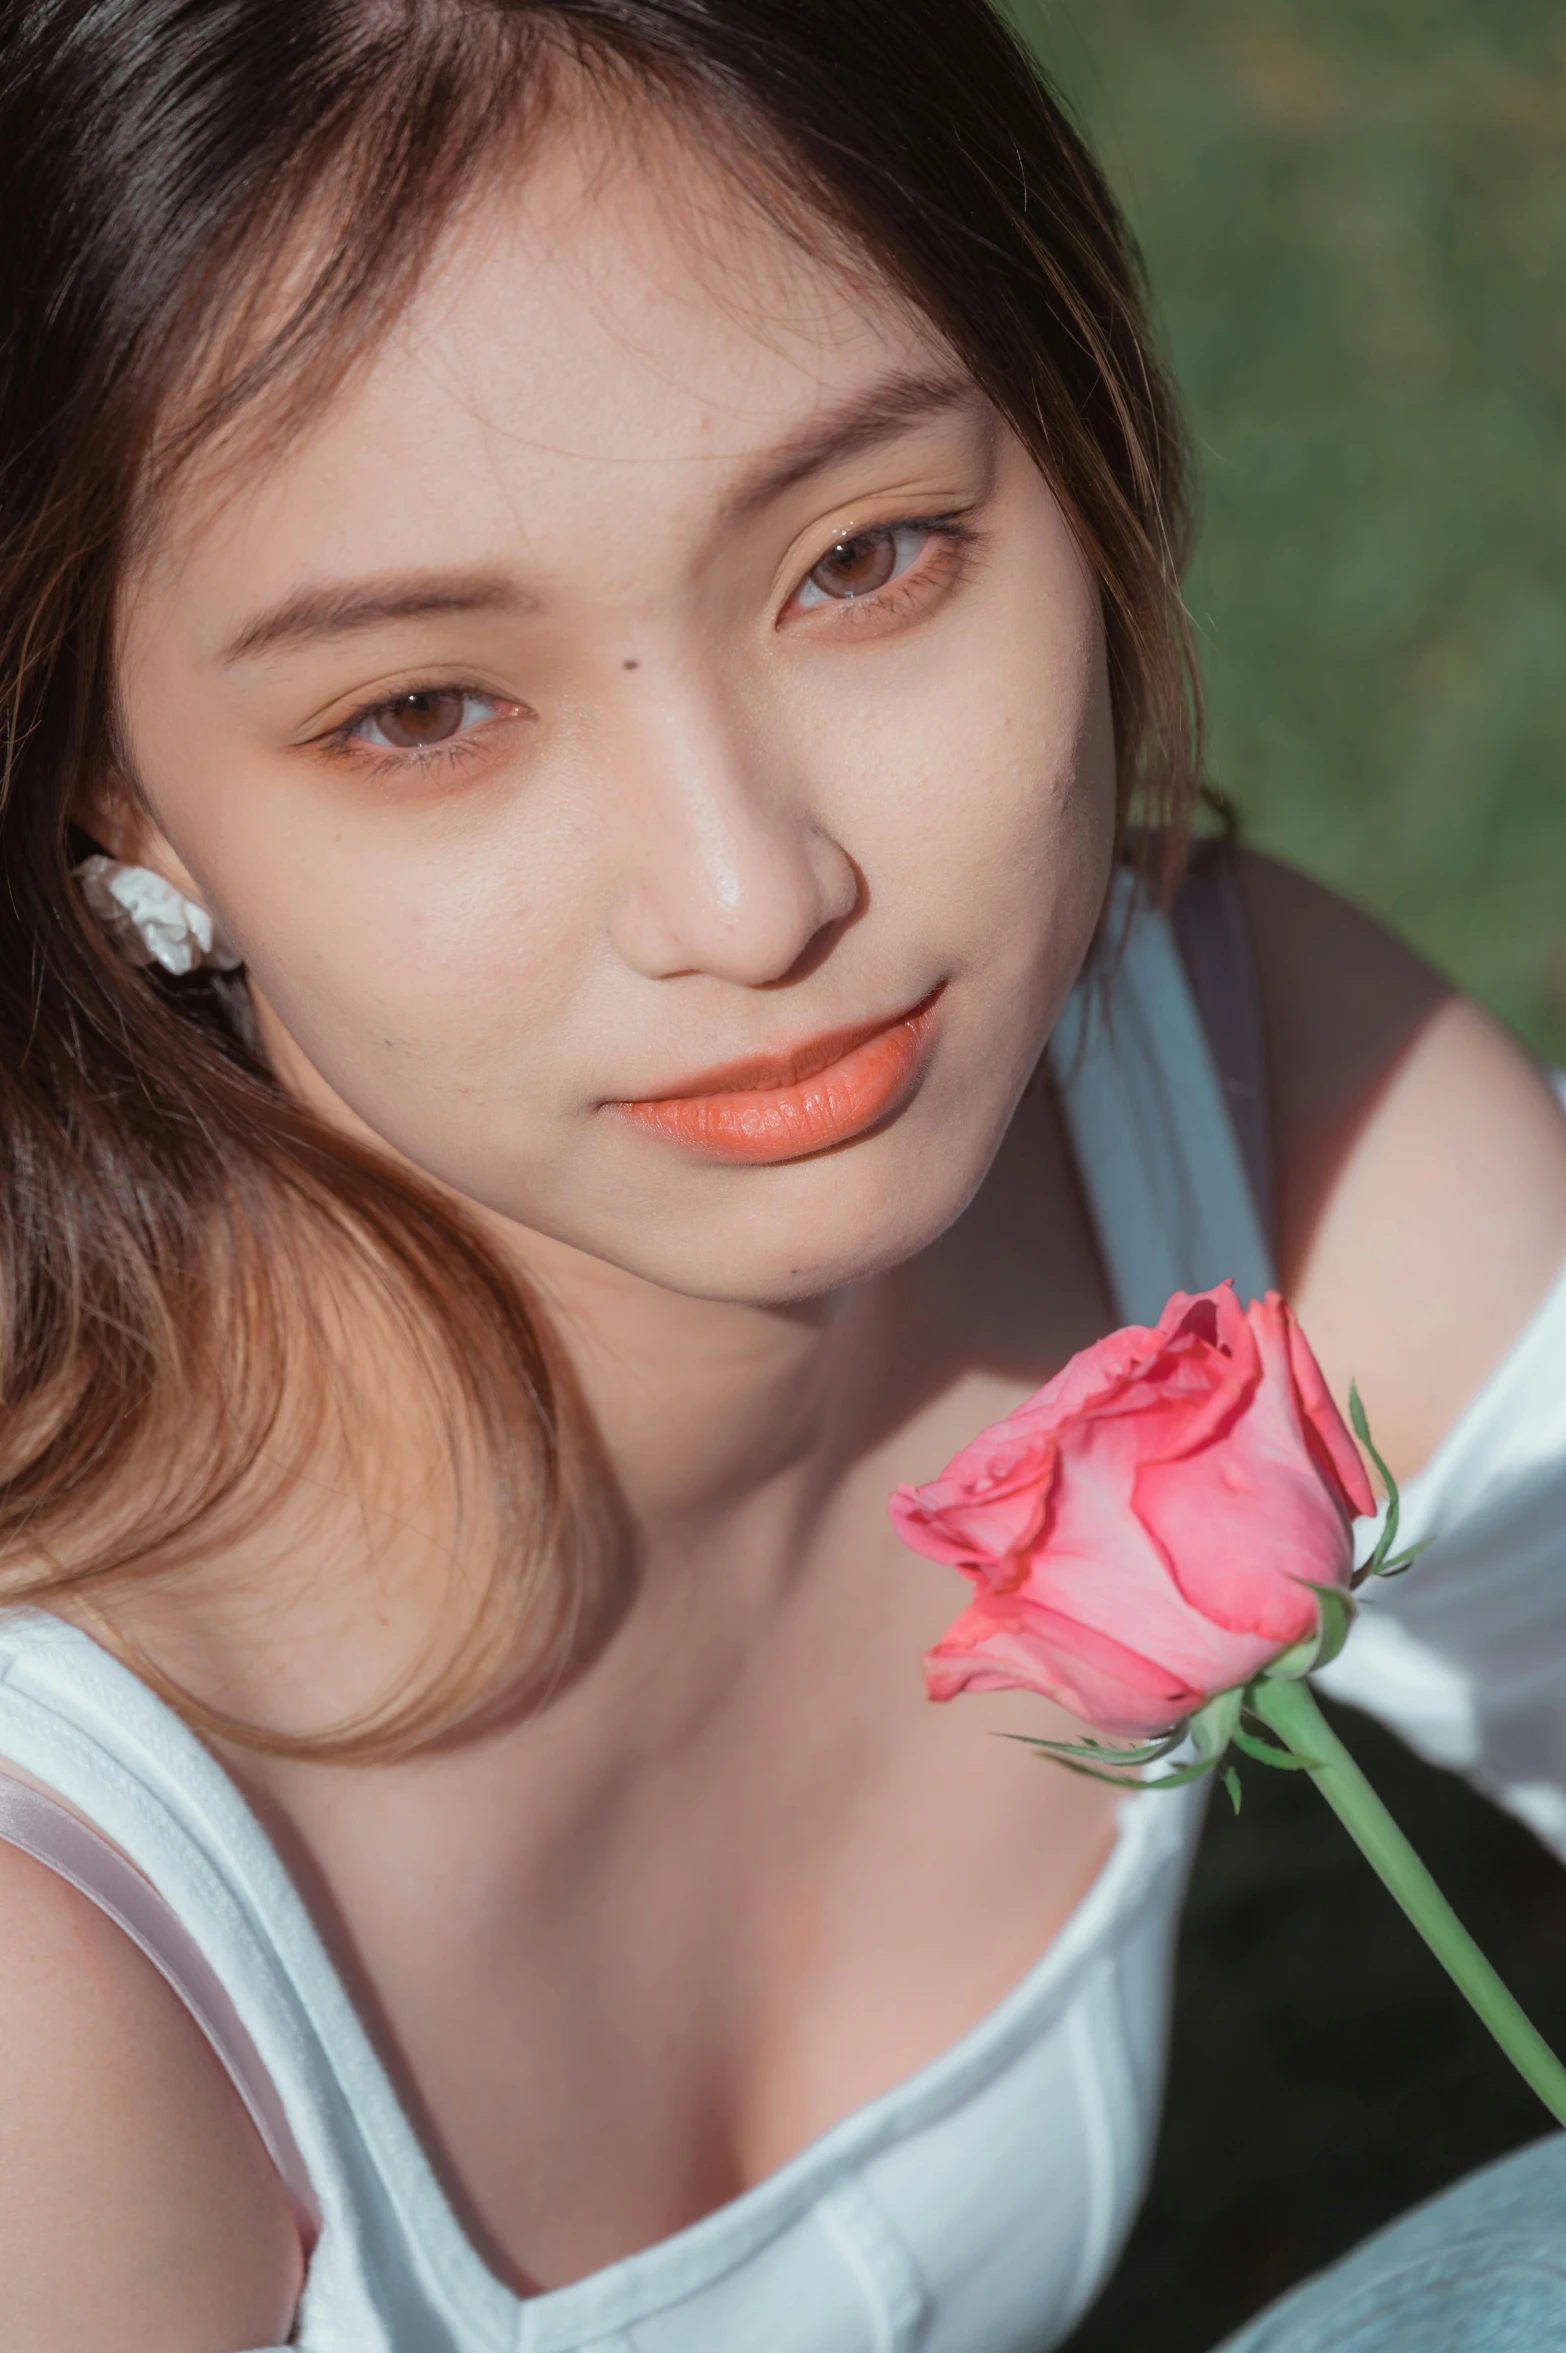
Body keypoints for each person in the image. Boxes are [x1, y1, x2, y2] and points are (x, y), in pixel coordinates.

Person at [1, 3, 1564, 2348]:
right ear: (118, 803)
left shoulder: (1222, 1096)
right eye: (422, 709)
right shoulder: (60, 1952)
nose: (750, 901)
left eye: (867, 558)